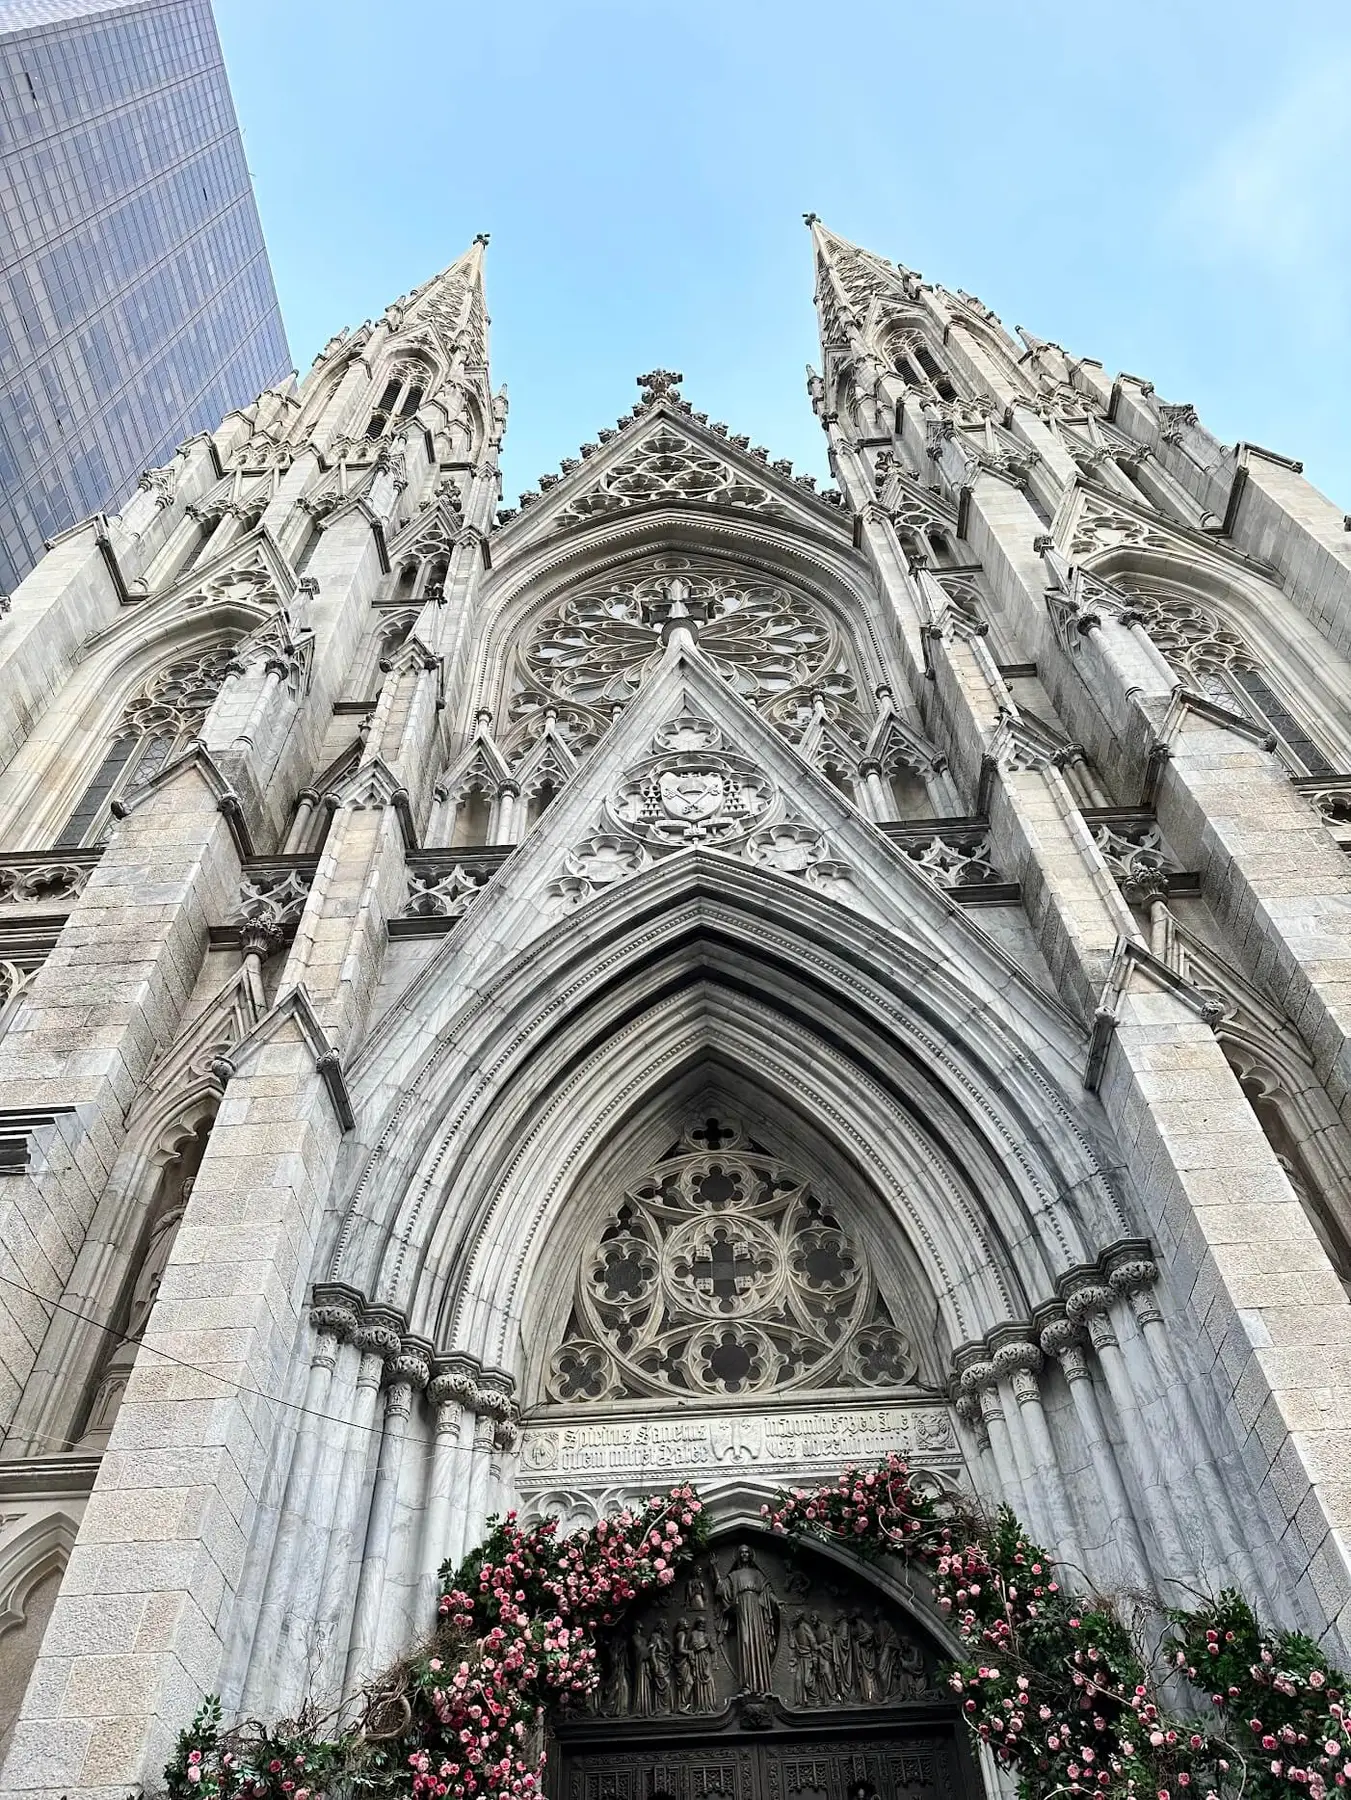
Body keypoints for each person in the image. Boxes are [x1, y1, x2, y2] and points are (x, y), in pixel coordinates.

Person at [716, 1546, 779, 1694]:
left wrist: (776, 1601)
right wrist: (714, 1568)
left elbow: (767, 1591)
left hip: (756, 1609)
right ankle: (747, 1685)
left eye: (746, 1552)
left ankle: (761, 1685)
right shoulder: (734, 1575)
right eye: (742, 1552)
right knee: (745, 1642)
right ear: (738, 1556)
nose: (744, 1554)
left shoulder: (757, 1574)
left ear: (750, 1555)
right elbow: (721, 1588)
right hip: (742, 1608)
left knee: (758, 1643)